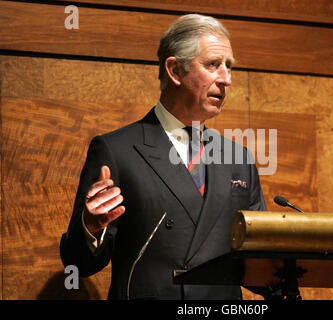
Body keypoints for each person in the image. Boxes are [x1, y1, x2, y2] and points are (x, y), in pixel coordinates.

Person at [60, 14, 266, 300]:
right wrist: (91, 228)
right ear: (174, 70)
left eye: (229, 67)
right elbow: (79, 262)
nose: (226, 79)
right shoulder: (116, 150)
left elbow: (261, 259)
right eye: (213, 65)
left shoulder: (238, 159)